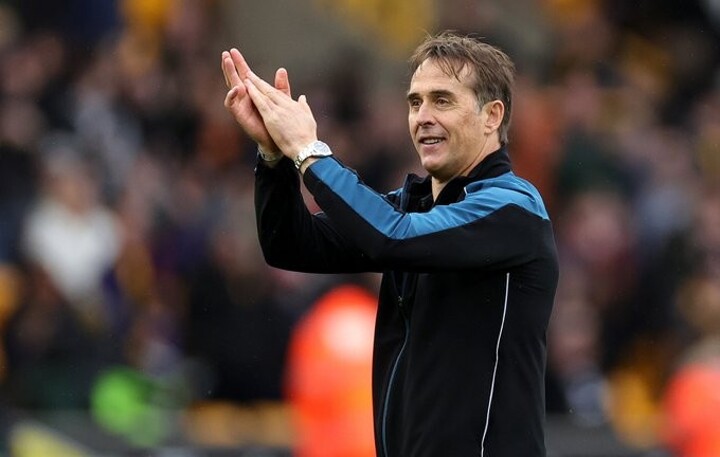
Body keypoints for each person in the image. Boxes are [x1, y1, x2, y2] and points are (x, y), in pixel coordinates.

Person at [221, 31, 559, 457]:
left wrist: (307, 150)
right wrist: (274, 157)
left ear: (492, 116)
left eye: (442, 100)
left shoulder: (512, 208)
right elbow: (288, 245)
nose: (422, 117)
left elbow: (390, 237)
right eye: (415, 103)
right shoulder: (411, 211)